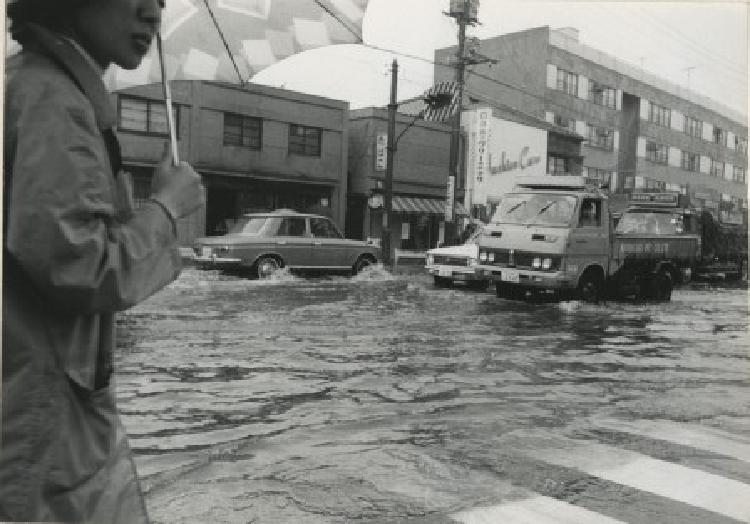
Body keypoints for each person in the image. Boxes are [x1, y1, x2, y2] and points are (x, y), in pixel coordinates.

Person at [2, 0, 204, 522]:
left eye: (161, 0)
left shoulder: (51, 92)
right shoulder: (54, 100)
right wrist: (167, 208)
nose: (152, 13)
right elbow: (78, 266)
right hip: (41, 416)